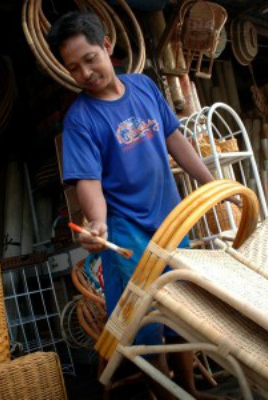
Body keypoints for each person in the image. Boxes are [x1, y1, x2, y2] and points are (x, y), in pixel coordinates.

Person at [48, 11, 220, 399]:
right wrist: (98, 223)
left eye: (90, 58)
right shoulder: (80, 120)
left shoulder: (143, 87)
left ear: (107, 46)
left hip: (172, 220)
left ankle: (189, 390)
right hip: (126, 231)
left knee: (183, 309)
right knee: (146, 323)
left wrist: (211, 183)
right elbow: (87, 181)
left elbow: (175, 139)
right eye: (74, 68)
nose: (86, 72)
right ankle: (167, 396)